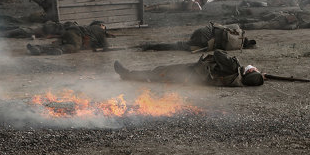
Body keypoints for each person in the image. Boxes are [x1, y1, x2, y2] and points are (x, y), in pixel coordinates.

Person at [113, 50, 264, 87]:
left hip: (192, 72)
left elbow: (218, 53)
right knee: (159, 74)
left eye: (253, 70)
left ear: (250, 71)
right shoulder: (237, 81)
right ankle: (128, 75)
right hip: (195, 78)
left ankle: (126, 74)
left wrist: (235, 61)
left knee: (158, 73)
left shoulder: (234, 67)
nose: (253, 68)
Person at [140, 23, 256, 51]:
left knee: (182, 42)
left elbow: (221, 26)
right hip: (205, 41)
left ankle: (149, 44)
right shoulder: (236, 46)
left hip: (205, 29)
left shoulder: (236, 28)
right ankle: (151, 46)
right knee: (179, 46)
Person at [27, 21, 111, 55]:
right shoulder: (99, 29)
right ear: (101, 25)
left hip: (69, 33)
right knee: (74, 47)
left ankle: (38, 48)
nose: (104, 29)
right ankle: (59, 50)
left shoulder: (90, 30)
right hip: (75, 33)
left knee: (64, 44)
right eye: (104, 27)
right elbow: (106, 45)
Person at [235, 9, 310, 30]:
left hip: (283, 16)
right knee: (264, 24)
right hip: (285, 23)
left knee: (261, 19)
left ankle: (239, 20)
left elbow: (296, 11)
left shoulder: (309, 12)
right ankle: (241, 26)